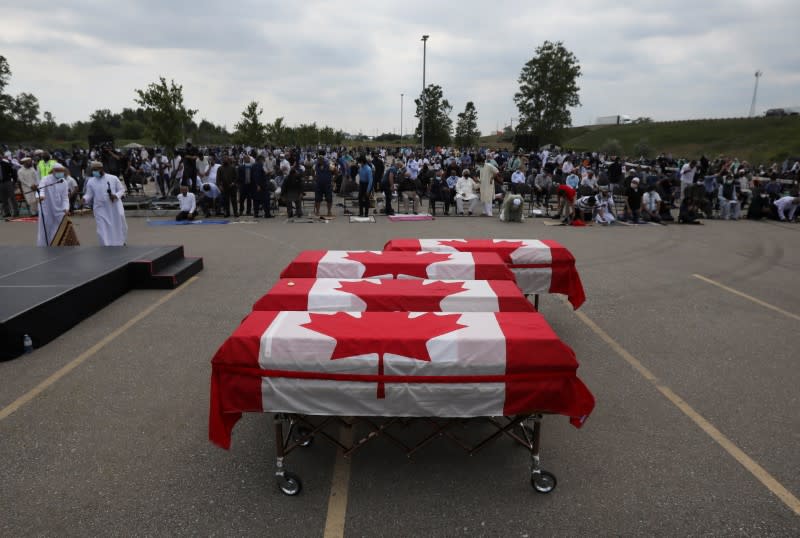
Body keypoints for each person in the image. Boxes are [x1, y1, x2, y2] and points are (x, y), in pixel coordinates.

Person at [82, 161, 128, 245]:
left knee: (118, 225)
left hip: (114, 207)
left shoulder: (113, 178)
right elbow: (89, 194)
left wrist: (115, 195)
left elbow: (122, 189)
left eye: (96, 169)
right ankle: (105, 244)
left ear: (101, 169)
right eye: (93, 170)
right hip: (100, 208)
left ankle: (120, 242)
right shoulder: (91, 181)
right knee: (102, 228)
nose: (94, 172)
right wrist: (84, 199)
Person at [36, 163, 70, 245]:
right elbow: (41, 189)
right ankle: (43, 247)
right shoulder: (46, 179)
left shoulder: (64, 182)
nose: (60, 173)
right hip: (46, 208)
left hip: (59, 209)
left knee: (58, 228)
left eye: (62, 171)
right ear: (53, 171)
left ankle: (55, 245)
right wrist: (41, 196)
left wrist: (66, 207)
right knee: (45, 229)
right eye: (58, 171)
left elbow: (65, 197)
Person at [314, 151, 334, 217]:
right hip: (319, 184)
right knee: (317, 199)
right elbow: (312, 171)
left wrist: (333, 179)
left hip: (327, 184)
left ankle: (329, 211)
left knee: (329, 199)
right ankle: (317, 212)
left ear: (323, 160)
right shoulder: (316, 164)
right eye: (318, 160)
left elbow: (336, 171)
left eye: (320, 160)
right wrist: (315, 178)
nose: (319, 161)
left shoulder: (328, 164)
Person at [0, 152, 18, 218]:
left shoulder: (6, 163)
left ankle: (16, 212)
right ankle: (7, 212)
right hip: (0, 183)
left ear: (1, 156)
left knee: (12, 197)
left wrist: (15, 181)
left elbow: (13, 171)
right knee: (3, 198)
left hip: (7, 182)